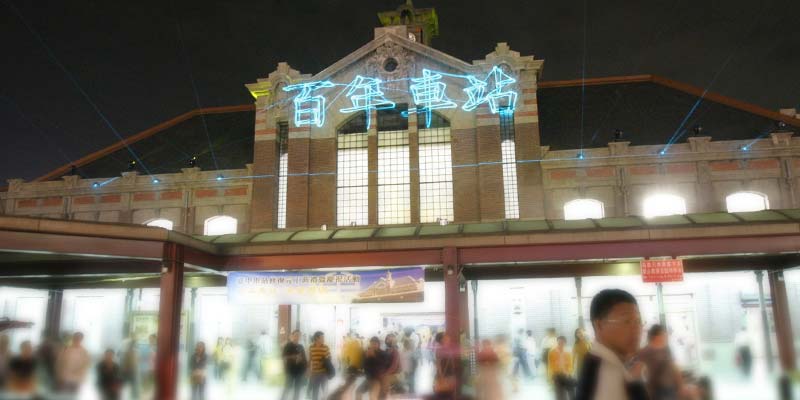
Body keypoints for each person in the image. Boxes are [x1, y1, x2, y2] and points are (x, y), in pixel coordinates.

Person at [575, 289, 649, 400]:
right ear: (599, 325)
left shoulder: (602, 362)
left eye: (638, 321)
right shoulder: (606, 373)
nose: (636, 329)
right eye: (626, 321)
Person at [637, 325, 683, 400]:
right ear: (656, 336)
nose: (666, 336)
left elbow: (675, 368)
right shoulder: (645, 351)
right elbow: (638, 371)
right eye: (663, 334)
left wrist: (680, 386)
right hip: (656, 390)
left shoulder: (666, 349)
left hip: (670, 388)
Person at [280, 330, 307, 400]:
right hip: (290, 371)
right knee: (287, 389)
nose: (297, 337)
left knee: (297, 390)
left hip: (299, 372)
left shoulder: (301, 346)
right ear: (292, 336)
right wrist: (293, 357)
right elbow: (283, 357)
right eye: (296, 335)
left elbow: (304, 358)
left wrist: (305, 369)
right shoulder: (288, 345)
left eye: (299, 335)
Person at [308, 331, 331, 400]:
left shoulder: (326, 347)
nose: (324, 339)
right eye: (322, 337)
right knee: (315, 391)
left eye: (323, 337)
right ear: (317, 338)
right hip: (315, 373)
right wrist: (309, 370)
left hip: (324, 373)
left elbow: (329, 358)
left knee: (325, 391)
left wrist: (323, 362)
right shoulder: (311, 347)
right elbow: (310, 360)